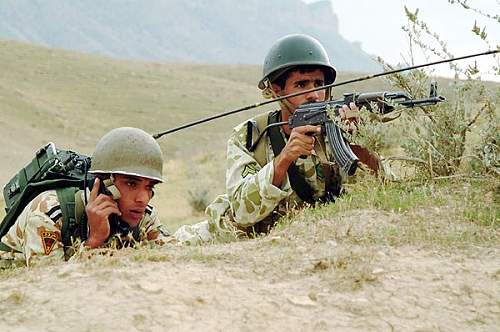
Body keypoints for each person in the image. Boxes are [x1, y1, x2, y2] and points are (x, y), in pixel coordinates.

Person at [175, 34, 377, 243]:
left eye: (319, 83)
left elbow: (381, 192)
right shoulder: (250, 135)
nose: (314, 94)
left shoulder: (339, 129)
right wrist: (284, 160)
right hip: (237, 238)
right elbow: (242, 212)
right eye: (301, 85)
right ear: (277, 91)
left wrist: (358, 144)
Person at [0, 127, 173, 266]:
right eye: (131, 184)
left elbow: (174, 253)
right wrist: (95, 240)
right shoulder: (49, 213)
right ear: (105, 183)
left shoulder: (144, 216)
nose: (143, 198)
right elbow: (48, 285)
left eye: (149, 186)